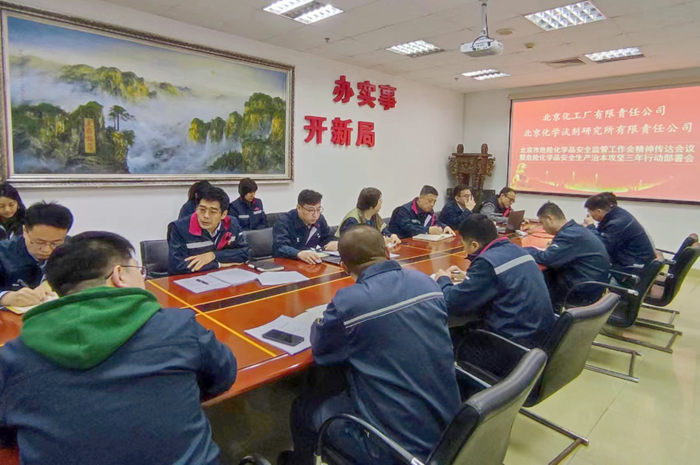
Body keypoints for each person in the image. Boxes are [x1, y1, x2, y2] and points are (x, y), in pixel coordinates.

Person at [0, 231, 237, 465]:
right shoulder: (178, 326)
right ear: (119, 275)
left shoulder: (12, 358)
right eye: (139, 271)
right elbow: (223, 376)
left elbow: (6, 435)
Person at [284, 226, 460, 465]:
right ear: (387, 252)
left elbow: (322, 350)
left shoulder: (349, 303)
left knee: (304, 407)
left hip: (394, 453)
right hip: (452, 433)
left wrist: (322, 322)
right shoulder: (427, 283)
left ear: (344, 267)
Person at [435, 214, 554, 348]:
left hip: (514, 345)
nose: (464, 251)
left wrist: (442, 279)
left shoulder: (487, 263)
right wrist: (471, 278)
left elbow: (453, 303)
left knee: (444, 337)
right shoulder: (518, 250)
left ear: (474, 245)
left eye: (463, 245)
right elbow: (502, 279)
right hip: (541, 339)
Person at [525, 202, 610, 310]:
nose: (543, 227)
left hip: (580, 292)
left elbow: (546, 258)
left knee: (534, 280)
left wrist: (524, 249)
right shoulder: (575, 229)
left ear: (550, 218)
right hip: (593, 286)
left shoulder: (568, 235)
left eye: (542, 223)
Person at [0, 202, 73, 308]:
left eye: (55, 243)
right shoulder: (3, 252)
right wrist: (5, 297)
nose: (46, 249)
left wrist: (52, 282)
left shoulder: (73, 249)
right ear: (25, 231)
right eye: (39, 242)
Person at [168, 186, 249, 275]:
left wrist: (213, 255)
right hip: (190, 279)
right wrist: (218, 265)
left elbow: (244, 253)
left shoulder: (232, 224)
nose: (206, 216)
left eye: (213, 212)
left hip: (224, 277)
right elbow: (177, 266)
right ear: (196, 208)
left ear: (223, 214)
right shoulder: (178, 228)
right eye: (202, 210)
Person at [583, 192, 655, 276]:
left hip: (631, 270)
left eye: (589, 212)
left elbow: (601, 247)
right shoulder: (617, 214)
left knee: (585, 271)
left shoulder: (617, 223)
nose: (589, 215)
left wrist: (590, 226)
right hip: (636, 263)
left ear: (599, 211)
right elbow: (602, 235)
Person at [273, 189, 338, 265]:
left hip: (310, 263)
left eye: (318, 210)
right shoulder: (284, 221)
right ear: (299, 208)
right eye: (311, 210)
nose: (315, 215)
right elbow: (280, 247)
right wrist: (299, 254)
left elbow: (326, 237)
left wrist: (337, 244)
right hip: (287, 264)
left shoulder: (319, 219)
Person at [336, 187, 400, 246]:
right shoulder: (353, 220)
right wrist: (379, 242)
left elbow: (384, 232)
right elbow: (350, 242)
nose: (381, 202)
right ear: (371, 204)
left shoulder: (374, 216)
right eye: (379, 200)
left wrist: (392, 236)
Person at [387, 185, 455, 239]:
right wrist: (428, 230)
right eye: (430, 201)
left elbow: (434, 221)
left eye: (434, 202)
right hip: (402, 244)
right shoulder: (404, 210)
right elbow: (409, 229)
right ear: (420, 198)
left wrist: (444, 227)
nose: (432, 204)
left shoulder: (429, 211)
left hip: (421, 242)